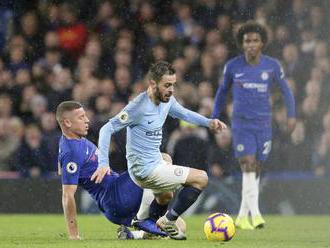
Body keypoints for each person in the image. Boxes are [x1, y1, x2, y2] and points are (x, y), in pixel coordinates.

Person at [92, 61, 226, 240]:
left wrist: (209, 122)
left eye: (173, 85)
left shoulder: (167, 100)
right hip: (144, 170)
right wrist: (103, 163)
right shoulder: (138, 106)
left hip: (154, 161)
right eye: (167, 85)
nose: (171, 90)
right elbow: (106, 129)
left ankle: (141, 229)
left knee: (166, 190)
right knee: (201, 178)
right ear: (153, 84)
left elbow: (185, 114)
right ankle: (166, 220)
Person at [56, 101, 184, 240]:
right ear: (67, 123)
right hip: (116, 196)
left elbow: (62, 169)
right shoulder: (71, 152)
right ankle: (142, 219)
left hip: (118, 197)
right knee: (163, 158)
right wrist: (73, 235)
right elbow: (67, 195)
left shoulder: (73, 142)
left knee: (178, 226)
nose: (87, 120)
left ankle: (134, 235)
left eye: (85, 115)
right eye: (81, 117)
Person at [212, 21, 296, 230]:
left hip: (264, 124)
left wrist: (292, 116)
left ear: (262, 44)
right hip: (241, 124)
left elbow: (286, 91)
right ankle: (256, 214)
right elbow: (222, 92)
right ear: (242, 44)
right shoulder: (232, 66)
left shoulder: (272, 65)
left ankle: (242, 215)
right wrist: (214, 116)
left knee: (256, 168)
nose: (250, 44)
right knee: (247, 164)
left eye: (255, 40)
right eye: (247, 41)